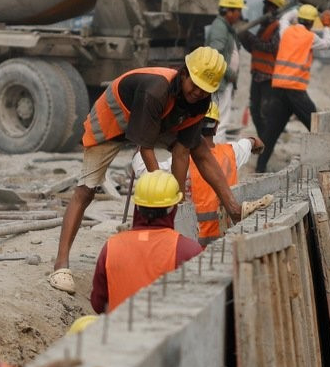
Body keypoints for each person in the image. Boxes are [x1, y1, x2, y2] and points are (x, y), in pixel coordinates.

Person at [49, 46, 240, 294]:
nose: (198, 92)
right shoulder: (156, 90)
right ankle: (60, 264)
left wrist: (176, 200)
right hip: (113, 118)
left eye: (205, 89)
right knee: (85, 191)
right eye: (195, 84)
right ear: (184, 73)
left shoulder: (200, 101)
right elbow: (145, 147)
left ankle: (234, 208)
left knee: (199, 148)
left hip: (155, 120)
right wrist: (161, 188)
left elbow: (182, 152)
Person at [129, 103, 263, 245]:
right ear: (217, 127)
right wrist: (254, 143)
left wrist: (139, 150)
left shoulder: (179, 162)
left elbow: (145, 172)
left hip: (192, 240)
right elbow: (251, 143)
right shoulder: (232, 152)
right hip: (225, 239)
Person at [89, 170, 203, 314]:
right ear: (173, 208)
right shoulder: (188, 250)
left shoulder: (112, 246)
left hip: (119, 333)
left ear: (137, 206)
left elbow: (98, 304)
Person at [255, 3, 330, 173]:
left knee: (271, 131)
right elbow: (327, 43)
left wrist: (297, 9)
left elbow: (284, 18)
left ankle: (260, 168)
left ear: (298, 18)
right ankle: (326, 164)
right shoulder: (310, 37)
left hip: (278, 89)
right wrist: (327, 25)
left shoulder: (285, 31)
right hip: (296, 90)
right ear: (312, 22)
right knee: (316, 126)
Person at [238, 0, 285, 141]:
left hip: (268, 77)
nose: (266, 9)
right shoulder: (263, 27)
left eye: (270, 6)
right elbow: (254, 48)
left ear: (276, 9)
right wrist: (244, 37)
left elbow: (271, 47)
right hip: (257, 74)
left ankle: (266, 143)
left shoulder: (277, 27)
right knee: (255, 110)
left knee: (265, 112)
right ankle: (264, 141)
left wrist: (249, 36)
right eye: (266, 5)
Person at [205, 0, 245, 136]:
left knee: (219, 120)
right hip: (220, 82)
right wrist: (230, 74)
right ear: (229, 11)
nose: (239, 15)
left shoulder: (224, 27)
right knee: (219, 122)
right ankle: (216, 154)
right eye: (238, 11)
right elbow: (216, 55)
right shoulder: (220, 28)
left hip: (223, 81)